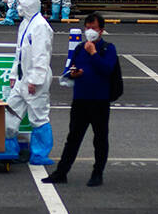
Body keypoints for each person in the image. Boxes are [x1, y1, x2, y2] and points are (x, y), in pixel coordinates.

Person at [43, 12, 117, 187]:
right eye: (88, 28)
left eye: (94, 28)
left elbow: (107, 70)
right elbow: (71, 69)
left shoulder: (108, 48)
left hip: (99, 101)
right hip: (80, 100)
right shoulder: (79, 49)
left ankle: (97, 173)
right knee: (73, 138)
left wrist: (93, 54)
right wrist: (74, 73)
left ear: (101, 30)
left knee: (100, 138)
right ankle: (62, 172)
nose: (90, 31)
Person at [4, 0, 55, 165]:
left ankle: (40, 154)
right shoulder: (25, 23)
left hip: (35, 81)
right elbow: (19, 52)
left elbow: (41, 56)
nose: (19, 8)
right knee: (10, 111)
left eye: (22, 5)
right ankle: (9, 150)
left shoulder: (40, 26)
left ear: (29, 6)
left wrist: (34, 80)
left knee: (38, 117)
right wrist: (13, 74)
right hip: (21, 79)